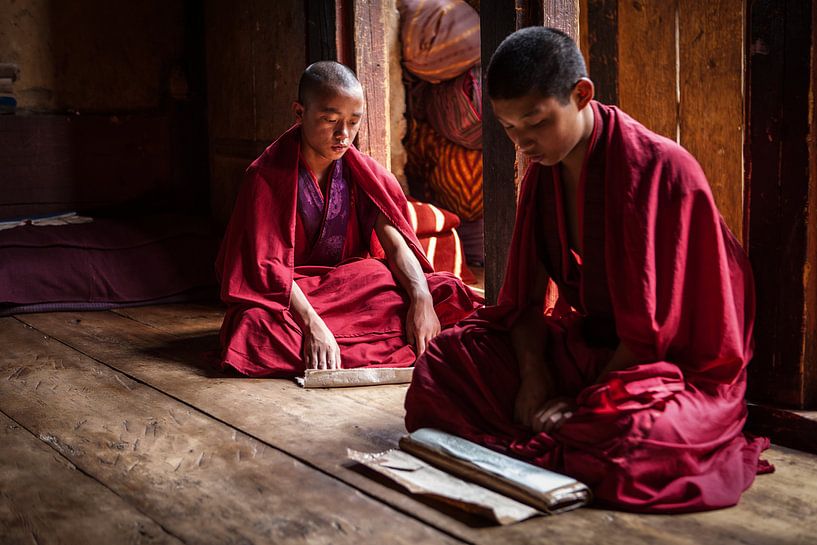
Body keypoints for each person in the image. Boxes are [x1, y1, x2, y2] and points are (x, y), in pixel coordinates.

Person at [404, 27, 772, 513]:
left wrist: (582, 403)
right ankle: (572, 429)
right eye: (509, 128)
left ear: (581, 95)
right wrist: (535, 376)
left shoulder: (661, 169)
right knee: (445, 366)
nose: (522, 143)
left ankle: (579, 427)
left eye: (534, 122)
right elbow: (524, 303)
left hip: (666, 370)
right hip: (595, 348)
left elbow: (651, 337)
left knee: (631, 439)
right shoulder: (544, 170)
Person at [216, 61, 481, 377]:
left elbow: (395, 247)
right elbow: (267, 270)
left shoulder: (364, 174)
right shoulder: (265, 177)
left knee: (446, 291)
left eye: (353, 122)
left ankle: (352, 347)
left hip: (352, 291)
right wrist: (313, 325)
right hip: (295, 297)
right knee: (251, 328)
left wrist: (421, 300)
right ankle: (390, 345)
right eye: (329, 120)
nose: (343, 135)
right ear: (300, 113)